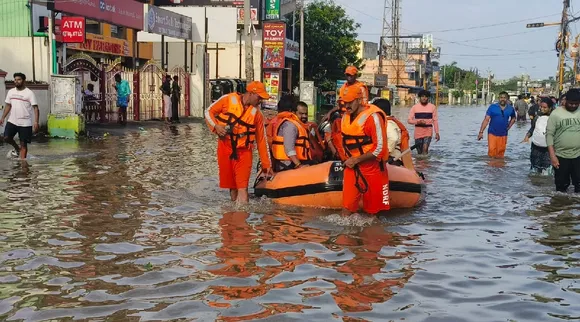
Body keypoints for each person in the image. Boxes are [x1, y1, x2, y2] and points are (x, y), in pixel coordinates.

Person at [204, 81, 274, 203]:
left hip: (244, 152)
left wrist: (266, 164)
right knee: (232, 187)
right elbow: (208, 112)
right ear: (251, 93)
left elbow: (261, 139)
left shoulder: (257, 114)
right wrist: (216, 127)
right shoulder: (227, 99)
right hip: (225, 148)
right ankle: (233, 218)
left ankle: (242, 216)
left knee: (243, 188)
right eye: (259, 97)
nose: (260, 101)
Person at [340, 87, 390, 216]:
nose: (347, 105)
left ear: (358, 100)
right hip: (352, 167)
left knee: (373, 213)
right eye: (344, 102)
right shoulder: (345, 117)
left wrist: (356, 159)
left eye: (350, 102)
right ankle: (345, 234)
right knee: (346, 209)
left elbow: (379, 148)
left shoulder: (373, 117)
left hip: (372, 168)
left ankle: (372, 235)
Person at [546, 88, 580, 193]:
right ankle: (561, 208)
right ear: (565, 101)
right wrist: (552, 156)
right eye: (571, 103)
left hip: (578, 155)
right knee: (561, 188)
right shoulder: (556, 114)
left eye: (576, 104)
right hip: (560, 156)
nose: (573, 106)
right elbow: (549, 135)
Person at [0, 73, 39, 159]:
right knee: (6, 137)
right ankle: (17, 149)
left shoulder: (29, 93)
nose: (16, 81)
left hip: (25, 123)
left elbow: (35, 108)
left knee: (23, 144)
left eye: (19, 80)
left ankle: (23, 164)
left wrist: (36, 122)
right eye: (15, 80)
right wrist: (3, 117)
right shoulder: (11, 92)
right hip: (12, 121)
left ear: (24, 81)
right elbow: (8, 106)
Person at [270, 96, 312, 171]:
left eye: (306, 114)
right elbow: (289, 149)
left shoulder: (299, 125)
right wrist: (299, 165)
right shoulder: (290, 125)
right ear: (294, 113)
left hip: (293, 163)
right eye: (301, 114)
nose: (304, 116)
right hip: (287, 165)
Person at [372, 98, 414, 170]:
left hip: (392, 158)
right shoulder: (385, 122)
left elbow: (393, 138)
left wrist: (385, 153)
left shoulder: (388, 124)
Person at [477, 91, 516, 158]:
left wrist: (509, 126)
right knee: (492, 151)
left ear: (507, 99)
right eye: (501, 97)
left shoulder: (510, 109)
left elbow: (514, 118)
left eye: (504, 98)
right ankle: (491, 167)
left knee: (500, 153)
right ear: (498, 98)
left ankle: (499, 167)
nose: (502, 99)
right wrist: (481, 132)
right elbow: (486, 120)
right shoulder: (492, 107)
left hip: (503, 133)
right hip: (492, 133)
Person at [522, 97, 555, 174]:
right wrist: (527, 136)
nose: (542, 109)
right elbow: (533, 128)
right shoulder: (537, 117)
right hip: (535, 148)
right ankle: (534, 185)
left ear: (550, 108)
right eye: (541, 107)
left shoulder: (554, 118)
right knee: (534, 169)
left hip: (548, 149)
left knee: (547, 170)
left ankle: (546, 185)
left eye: (545, 107)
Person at [407, 90, 440, 155]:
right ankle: (420, 164)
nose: (424, 98)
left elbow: (435, 120)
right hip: (418, 132)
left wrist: (437, 133)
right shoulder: (415, 107)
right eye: (422, 96)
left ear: (428, 98)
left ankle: (426, 164)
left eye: (426, 96)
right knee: (419, 152)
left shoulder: (432, 107)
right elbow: (409, 120)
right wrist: (418, 122)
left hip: (428, 131)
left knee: (425, 149)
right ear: (420, 97)